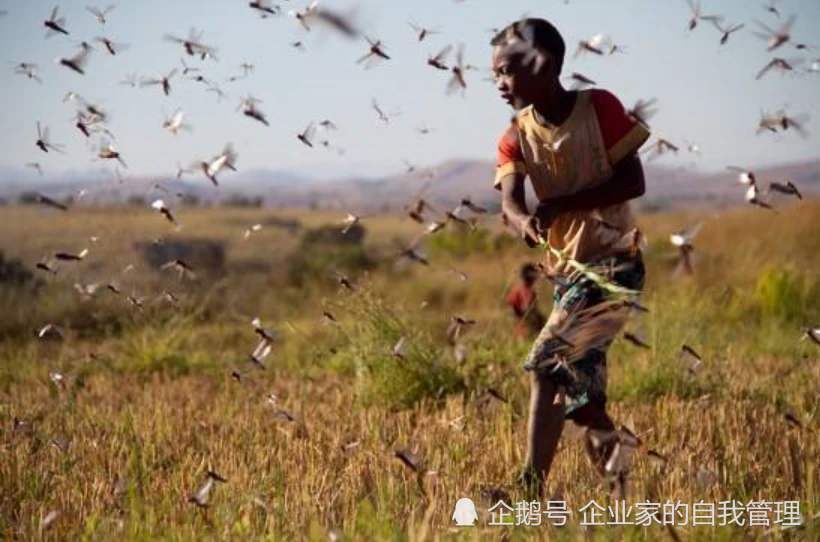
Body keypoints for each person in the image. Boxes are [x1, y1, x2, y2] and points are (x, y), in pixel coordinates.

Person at [490, 18, 650, 497]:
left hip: (614, 265)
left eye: (508, 70)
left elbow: (633, 181)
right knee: (583, 398)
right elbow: (509, 203)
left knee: (547, 367)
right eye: (495, 74)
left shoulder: (598, 108)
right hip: (567, 274)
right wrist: (525, 222)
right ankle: (622, 496)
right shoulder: (515, 135)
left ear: (546, 64)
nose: (500, 82)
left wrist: (561, 205)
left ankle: (528, 489)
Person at [506, 263, 546, 338]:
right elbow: (526, 308)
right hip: (523, 326)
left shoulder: (517, 288)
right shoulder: (526, 291)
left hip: (517, 322)